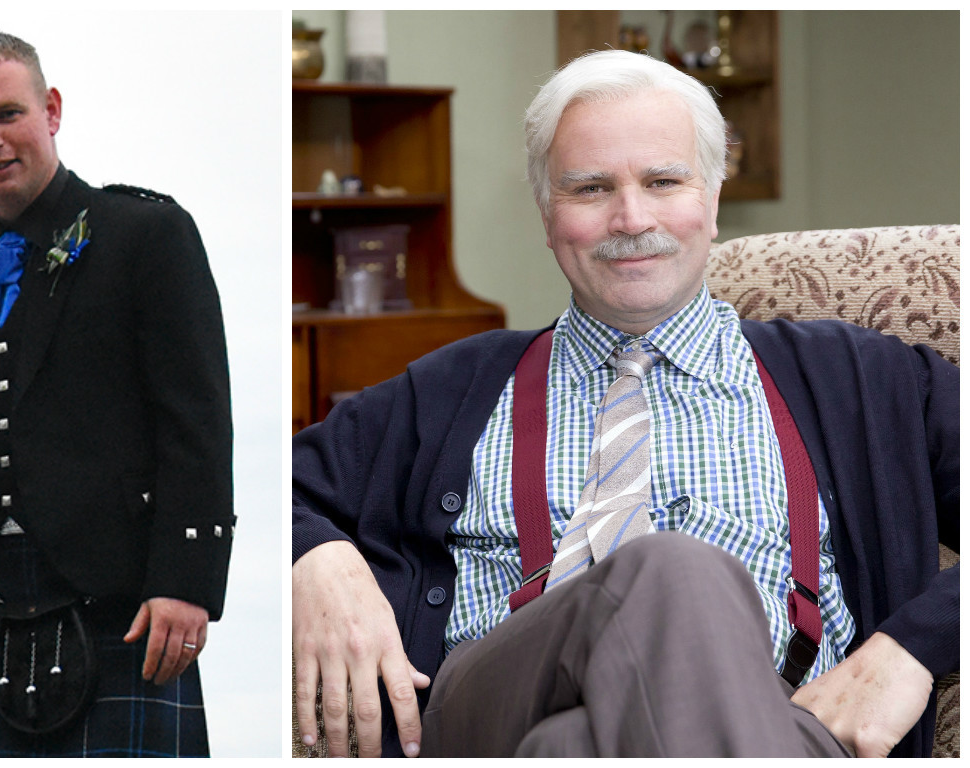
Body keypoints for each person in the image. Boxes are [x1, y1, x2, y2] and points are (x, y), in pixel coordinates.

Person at [292, 50, 957, 758]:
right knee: (672, 570)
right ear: (547, 216)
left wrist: (909, 648)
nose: (631, 216)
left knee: (574, 745)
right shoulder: (450, 389)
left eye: (664, 180)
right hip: (491, 714)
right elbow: (253, 487)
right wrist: (317, 555)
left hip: (786, 728)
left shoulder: (867, 379)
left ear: (713, 198)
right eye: (590, 189)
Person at [0, 31, 235, 757]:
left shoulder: (147, 235)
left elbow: (197, 419)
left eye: (8, 114)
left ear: (51, 110)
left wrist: (186, 581)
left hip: (126, 603)